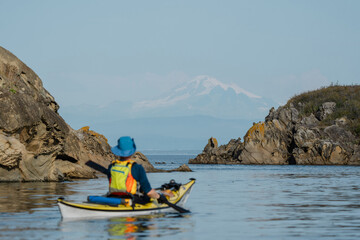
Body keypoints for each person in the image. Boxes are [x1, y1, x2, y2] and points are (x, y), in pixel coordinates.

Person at [108, 136, 168, 204]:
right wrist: (160, 197)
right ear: (132, 151)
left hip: (113, 198)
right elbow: (149, 192)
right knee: (148, 197)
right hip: (131, 200)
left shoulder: (112, 166)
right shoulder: (136, 167)